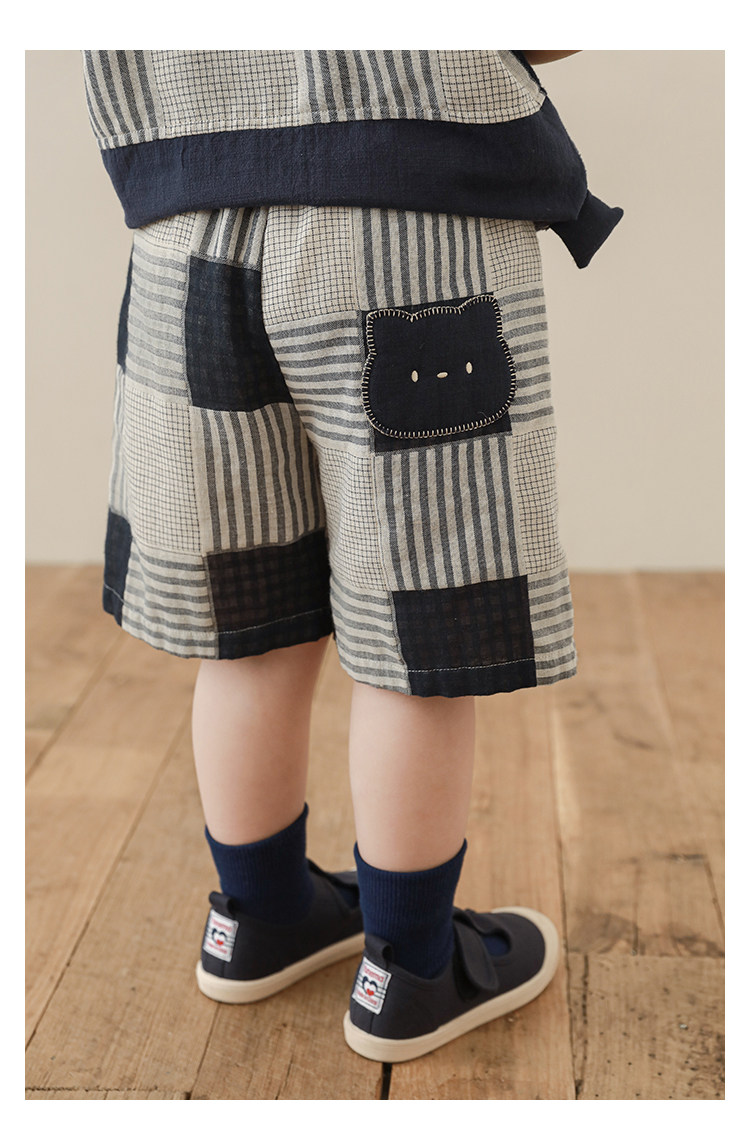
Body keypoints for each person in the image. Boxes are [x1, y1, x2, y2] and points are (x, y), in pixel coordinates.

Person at [83, 49, 622, 1064]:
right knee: (418, 635)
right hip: (405, 220)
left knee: (247, 622)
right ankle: (412, 971)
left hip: (183, 231)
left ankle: (258, 917)